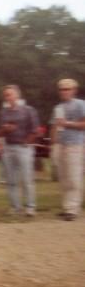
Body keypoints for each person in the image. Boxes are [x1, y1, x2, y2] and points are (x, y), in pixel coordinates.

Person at [0, 85, 39, 216]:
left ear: (17, 95)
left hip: (23, 147)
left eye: (10, 94)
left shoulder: (28, 110)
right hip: (8, 148)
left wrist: (27, 142)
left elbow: (35, 129)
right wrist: (5, 129)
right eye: (6, 95)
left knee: (27, 179)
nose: (8, 97)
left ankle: (30, 207)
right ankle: (15, 207)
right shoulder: (2, 112)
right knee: (11, 180)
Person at [51, 78, 85, 221]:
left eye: (67, 89)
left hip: (75, 144)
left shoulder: (80, 104)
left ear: (74, 90)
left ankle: (73, 208)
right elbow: (54, 126)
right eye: (61, 89)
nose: (64, 91)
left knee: (73, 177)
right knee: (63, 177)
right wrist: (52, 143)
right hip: (61, 144)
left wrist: (67, 123)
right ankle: (66, 207)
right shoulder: (58, 107)